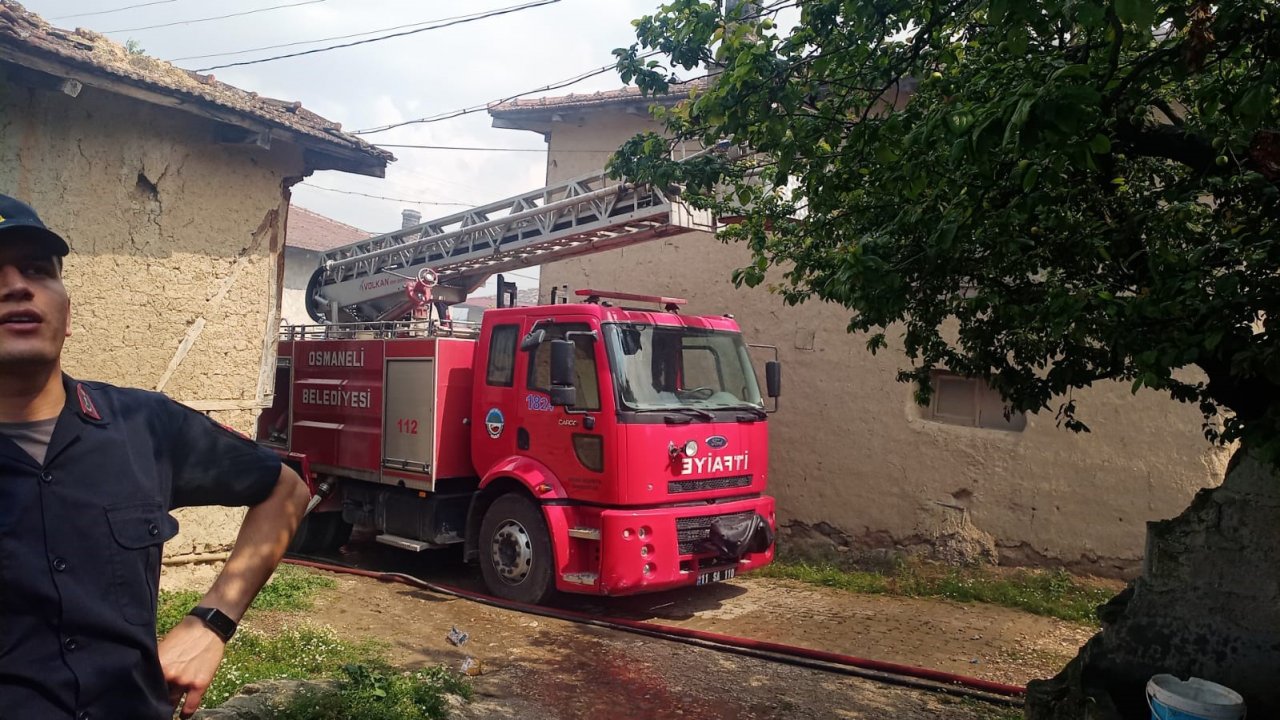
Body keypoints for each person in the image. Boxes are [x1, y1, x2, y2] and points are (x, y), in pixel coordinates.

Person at [0, 193, 311, 720]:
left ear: (67, 311)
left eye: (37, 268)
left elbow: (286, 489)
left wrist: (212, 622)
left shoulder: (145, 426)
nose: (15, 286)